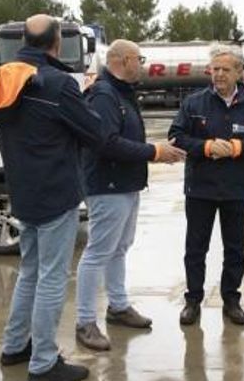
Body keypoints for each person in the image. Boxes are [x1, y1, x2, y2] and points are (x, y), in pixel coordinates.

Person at [0, 14, 102, 381]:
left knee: (30, 273)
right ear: (56, 43)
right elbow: (94, 132)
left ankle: (15, 346)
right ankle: (43, 362)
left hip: (22, 191)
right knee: (52, 278)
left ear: (24, 39)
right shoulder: (57, 84)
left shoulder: (2, 80)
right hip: (56, 194)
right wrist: (84, 96)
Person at [74, 39, 186, 351]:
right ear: (123, 60)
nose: (144, 64)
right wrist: (154, 151)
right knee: (98, 252)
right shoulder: (104, 95)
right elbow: (105, 143)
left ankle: (118, 306)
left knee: (119, 248)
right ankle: (84, 322)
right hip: (108, 185)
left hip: (124, 183)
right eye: (140, 58)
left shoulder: (119, 92)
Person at [168, 44, 244, 326]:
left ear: (240, 72)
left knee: (235, 248)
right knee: (195, 248)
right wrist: (207, 146)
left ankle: (231, 300)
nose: (219, 75)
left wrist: (239, 147)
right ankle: (193, 300)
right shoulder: (194, 103)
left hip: (236, 189)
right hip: (200, 188)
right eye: (215, 70)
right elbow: (176, 137)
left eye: (226, 70)